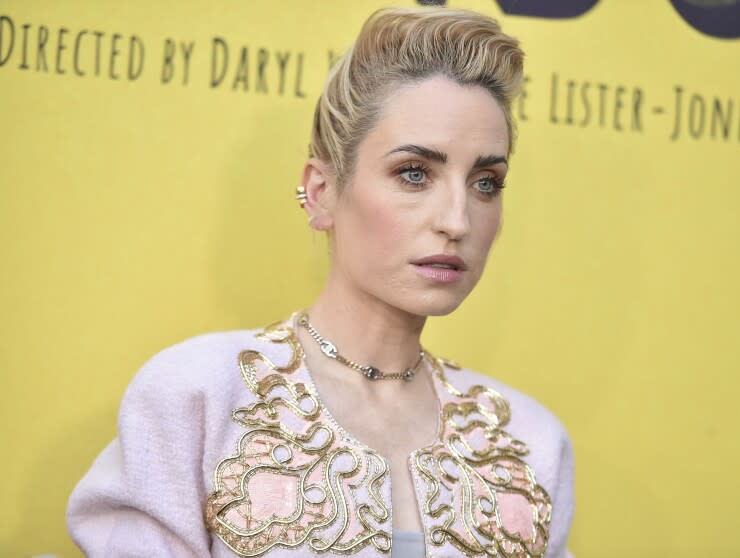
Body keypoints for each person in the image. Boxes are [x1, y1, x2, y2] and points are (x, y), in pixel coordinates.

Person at [67, 6, 575, 558]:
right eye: (414, 174)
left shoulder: (527, 442)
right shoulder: (201, 398)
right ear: (322, 191)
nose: (457, 220)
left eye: (485, 182)